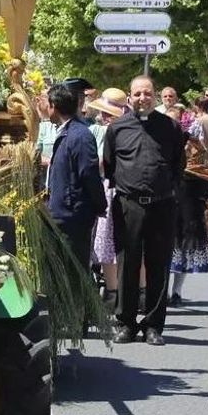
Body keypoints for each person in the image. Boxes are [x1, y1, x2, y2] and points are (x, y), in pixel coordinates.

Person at [103, 76, 187, 346]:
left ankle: (153, 325)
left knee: (158, 265)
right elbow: (109, 163)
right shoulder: (117, 128)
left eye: (148, 93)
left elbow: (178, 165)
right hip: (129, 204)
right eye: (137, 94)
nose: (143, 98)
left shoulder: (171, 127)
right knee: (127, 263)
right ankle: (125, 323)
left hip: (162, 205)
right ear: (130, 97)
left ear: (156, 95)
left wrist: (167, 190)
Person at [45, 83, 105, 294]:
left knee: (74, 273)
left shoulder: (80, 135)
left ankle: (77, 320)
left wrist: (99, 205)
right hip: (62, 214)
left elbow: (89, 173)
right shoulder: (66, 133)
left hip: (73, 216)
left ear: (53, 106)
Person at [172, 97, 208, 305]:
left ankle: (176, 291)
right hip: (164, 204)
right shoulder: (159, 145)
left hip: (187, 205)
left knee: (183, 247)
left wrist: (202, 202)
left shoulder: (195, 147)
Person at [86, 88, 126, 309]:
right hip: (115, 188)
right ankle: (117, 289)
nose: (102, 117)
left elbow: (102, 164)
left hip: (111, 188)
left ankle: (113, 291)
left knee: (106, 241)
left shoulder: (111, 132)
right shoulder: (110, 130)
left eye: (106, 113)